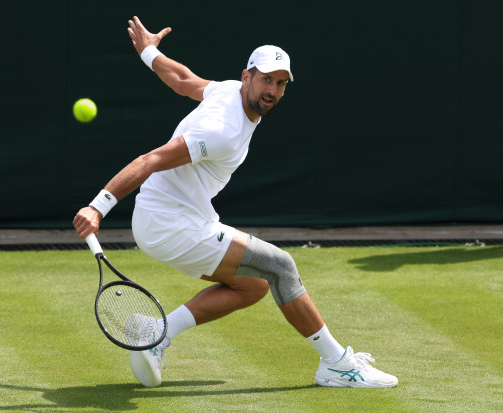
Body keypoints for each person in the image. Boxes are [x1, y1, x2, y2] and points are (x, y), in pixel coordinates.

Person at [73, 16, 398, 389]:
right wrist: (98, 206)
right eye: (265, 79)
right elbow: (152, 160)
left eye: (280, 83)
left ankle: (158, 332)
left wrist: (149, 51)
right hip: (169, 224)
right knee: (280, 265)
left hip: (180, 216)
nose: (272, 90)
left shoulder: (228, 90)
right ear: (247, 76)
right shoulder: (221, 131)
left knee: (254, 285)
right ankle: (337, 364)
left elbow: (182, 80)